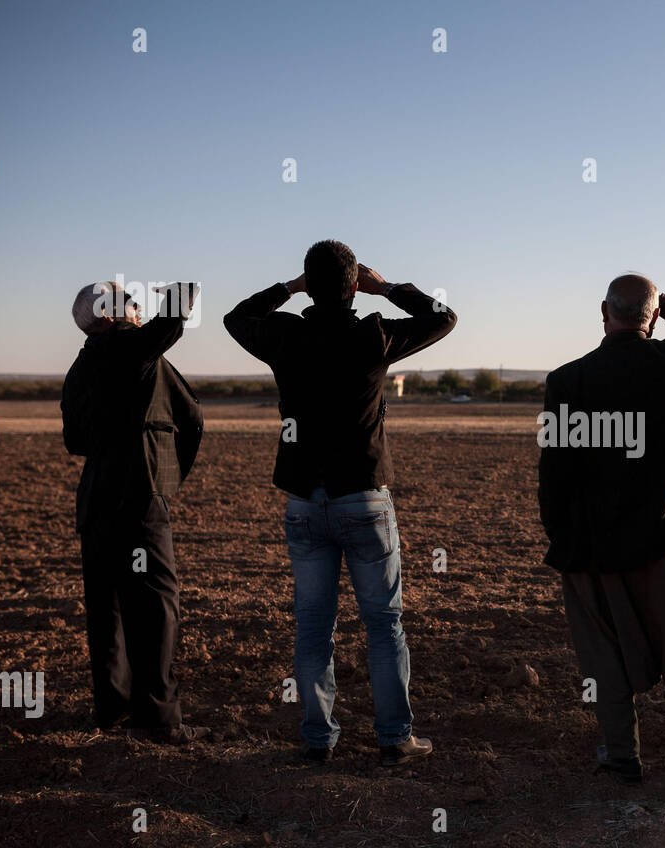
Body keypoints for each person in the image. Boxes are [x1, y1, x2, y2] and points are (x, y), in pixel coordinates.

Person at [224, 240, 456, 766]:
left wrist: (286, 288)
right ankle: (395, 739)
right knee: (384, 624)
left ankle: (317, 740)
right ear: (355, 286)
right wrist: (389, 287)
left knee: (312, 627)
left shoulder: (283, 333)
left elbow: (236, 317)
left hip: (306, 503)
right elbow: (443, 317)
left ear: (308, 282)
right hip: (365, 501)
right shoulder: (374, 332)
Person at [539, 274, 665, 786]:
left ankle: (622, 756)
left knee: (603, 655)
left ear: (604, 311)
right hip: (661, 544)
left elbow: (553, 471)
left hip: (588, 546)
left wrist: (561, 534)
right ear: (651, 316)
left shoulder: (567, 381)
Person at [61, 280, 206, 743]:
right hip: (140, 501)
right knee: (157, 607)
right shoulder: (130, 349)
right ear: (106, 317)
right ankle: (159, 719)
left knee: (108, 612)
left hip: (95, 501)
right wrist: (181, 292)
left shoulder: (80, 366)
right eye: (124, 300)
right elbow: (193, 418)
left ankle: (112, 710)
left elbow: (74, 441)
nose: (135, 305)